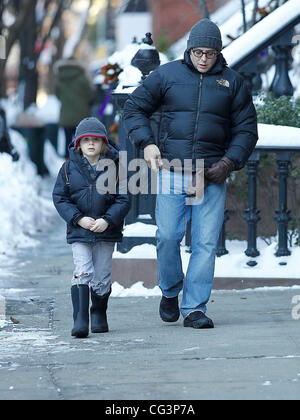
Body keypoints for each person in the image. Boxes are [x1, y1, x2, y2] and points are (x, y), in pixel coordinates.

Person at [123, 18, 258, 329]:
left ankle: (195, 307)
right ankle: (170, 290)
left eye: (209, 54)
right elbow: (134, 108)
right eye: (198, 52)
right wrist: (146, 143)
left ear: (218, 53)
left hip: (210, 175)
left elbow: (247, 130)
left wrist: (228, 163)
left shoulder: (232, 82)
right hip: (172, 170)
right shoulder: (167, 75)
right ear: (189, 51)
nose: (203, 59)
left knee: (205, 243)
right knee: (168, 236)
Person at [52, 117, 130, 338]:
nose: (91, 144)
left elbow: (123, 199)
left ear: (104, 143)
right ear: (78, 143)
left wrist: (107, 220)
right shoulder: (68, 169)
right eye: (86, 140)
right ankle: (80, 319)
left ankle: (98, 313)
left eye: (96, 139)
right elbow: (60, 198)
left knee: (102, 274)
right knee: (83, 270)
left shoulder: (115, 168)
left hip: (106, 230)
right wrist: (77, 218)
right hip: (80, 231)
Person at [54, 57, 94, 158]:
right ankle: (81, 159)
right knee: (81, 139)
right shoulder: (82, 78)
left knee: (67, 140)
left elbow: (57, 95)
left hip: (66, 115)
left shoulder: (59, 78)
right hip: (81, 114)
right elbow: (90, 95)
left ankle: (68, 160)